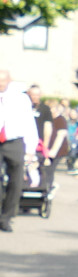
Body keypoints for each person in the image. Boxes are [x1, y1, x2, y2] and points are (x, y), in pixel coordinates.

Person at [0, 68, 34, 232]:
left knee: (16, 180)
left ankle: (6, 217)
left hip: (14, 141)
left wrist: (31, 148)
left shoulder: (20, 98)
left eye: (2, 81)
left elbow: (29, 123)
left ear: (9, 81)